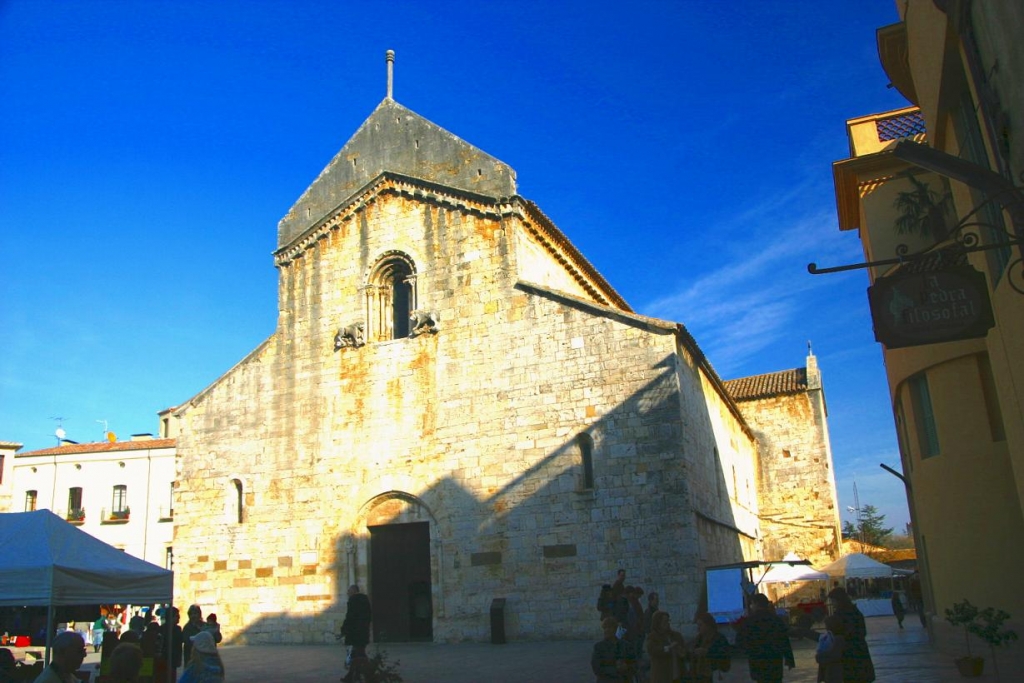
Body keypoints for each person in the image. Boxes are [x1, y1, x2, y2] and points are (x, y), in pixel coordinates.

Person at [739, 593, 794, 683]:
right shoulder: (775, 619)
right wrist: (789, 659)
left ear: (756, 604)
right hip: (775, 660)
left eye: (752, 604)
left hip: (758, 661)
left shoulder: (750, 621)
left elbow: (742, 641)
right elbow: (784, 640)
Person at [827, 587, 875, 683]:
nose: (832, 603)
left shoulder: (844, 615)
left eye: (833, 600)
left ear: (839, 600)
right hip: (859, 653)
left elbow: (843, 633)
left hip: (851, 656)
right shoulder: (855, 612)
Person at [341, 585, 372, 683]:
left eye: (349, 591)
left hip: (355, 633)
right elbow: (368, 616)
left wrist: (344, 629)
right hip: (363, 632)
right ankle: (352, 676)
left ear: (354, 591)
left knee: (359, 655)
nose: (347, 593)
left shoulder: (353, 600)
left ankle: (369, 675)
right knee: (357, 654)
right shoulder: (365, 600)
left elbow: (350, 616)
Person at [688, 612, 730, 683]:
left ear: (708, 625)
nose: (698, 628)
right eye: (698, 625)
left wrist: (707, 652)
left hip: (713, 675)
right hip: (698, 676)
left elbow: (724, 656)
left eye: (701, 625)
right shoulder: (698, 639)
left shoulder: (719, 639)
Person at [645, 611, 685, 683]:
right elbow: (652, 651)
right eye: (664, 621)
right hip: (662, 676)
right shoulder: (652, 637)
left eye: (668, 621)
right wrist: (668, 648)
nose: (667, 623)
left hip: (677, 674)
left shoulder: (676, 636)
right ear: (658, 623)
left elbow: (684, 650)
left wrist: (681, 652)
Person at [591, 616, 626, 683]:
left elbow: (633, 663)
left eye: (609, 627)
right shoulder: (599, 647)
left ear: (615, 629)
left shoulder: (625, 646)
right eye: (605, 628)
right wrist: (615, 670)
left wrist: (626, 667)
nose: (607, 630)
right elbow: (596, 668)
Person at [815, 614, 846, 683]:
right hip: (833, 671)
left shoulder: (837, 639)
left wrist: (819, 657)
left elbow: (834, 655)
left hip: (834, 671)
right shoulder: (835, 637)